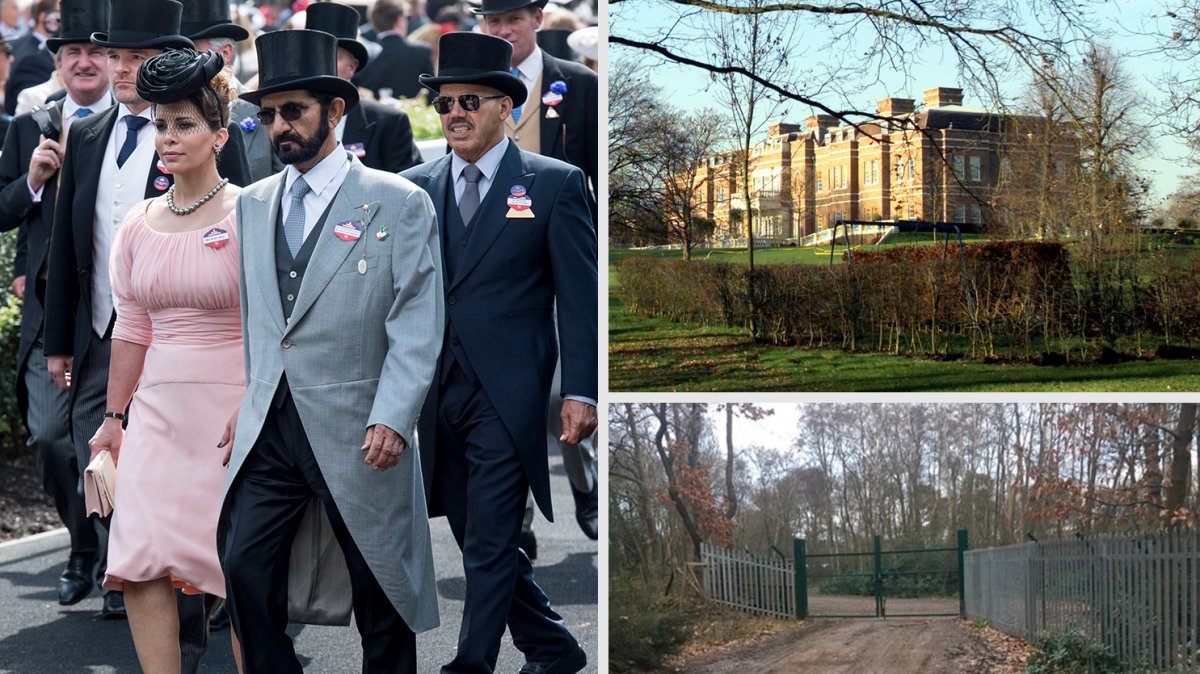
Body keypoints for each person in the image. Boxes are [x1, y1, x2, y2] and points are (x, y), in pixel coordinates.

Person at [219, 28, 442, 674]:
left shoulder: (399, 202)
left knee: (382, 593)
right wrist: (247, 397)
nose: (279, 127)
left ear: (335, 111)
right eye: (268, 115)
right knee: (243, 571)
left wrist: (395, 414)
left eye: (294, 112)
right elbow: (259, 319)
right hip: (272, 429)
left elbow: (418, 319)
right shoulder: (254, 204)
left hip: (360, 427)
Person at [42, 0, 247, 626]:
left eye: (137, 58)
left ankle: (200, 588)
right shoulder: (87, 133)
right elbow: (68, 239)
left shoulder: (229, 167)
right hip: (107, 328)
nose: (123, 68)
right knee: (82, 448)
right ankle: (105, 561)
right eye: (117, 57)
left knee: (205, 502)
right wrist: (59, 338)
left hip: (205, 350)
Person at [401, 31, 596, 674]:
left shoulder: (556, 185)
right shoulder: (410, 189)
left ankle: (471, 663)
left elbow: (580, 299)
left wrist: (582, 391)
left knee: (490, 539)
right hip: (431, 393)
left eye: (471, 101)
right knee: (472, 536)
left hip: (508, 395)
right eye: (445, 101)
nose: (455, 112)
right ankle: (554, 648)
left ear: (508, 107)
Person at [85, 47, 244, 674]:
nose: (168, 138)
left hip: (232, 410)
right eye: (159, 124)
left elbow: (273, 325)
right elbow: (133, 327)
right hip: (156, 411)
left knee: (235, 567)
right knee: (141, 553)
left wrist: (259, 402)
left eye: (185, 124)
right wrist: (113, 418)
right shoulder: (137, 223)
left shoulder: (250, 215)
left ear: (219, 136)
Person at [0, 0, 110, 609]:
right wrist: (33, 182)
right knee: (50, 438)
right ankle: (83, 545)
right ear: (58, 61)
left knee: (109, 440)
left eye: (97, 51)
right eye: (74, 52)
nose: (85, 61)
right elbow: (3, 208)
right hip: (51, 313)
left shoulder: (132, 124)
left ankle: (119, 560)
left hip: (115, 311)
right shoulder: (31, 125)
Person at [477, 0, 596, 213]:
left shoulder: (582, 82)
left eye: (514, 19)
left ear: (537, 19)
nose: (504, 31)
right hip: (494, 226)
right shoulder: (472, 87)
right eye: (495, 21)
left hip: (563, 223)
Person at [305, 1, 423, 173]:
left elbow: (410, 188)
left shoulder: (387, 122)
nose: (321, 65)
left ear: (352, 67)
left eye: (333, 57)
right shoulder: (287, 118)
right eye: (314, 56)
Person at [181, 0, 281, 184]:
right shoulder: (169, 114)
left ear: (225, 53)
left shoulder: (266, 112)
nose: (183, 61)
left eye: (192, 51)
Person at [353, 0, 432, 101]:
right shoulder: (422, 52)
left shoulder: (364, 55)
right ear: (400, 19)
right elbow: (432, 95)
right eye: (407, 17)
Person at [5, 0, 57, 114]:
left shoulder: (27, 44)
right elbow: (34, 109)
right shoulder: (32, 58)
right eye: (58, 13)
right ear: (44, 16)